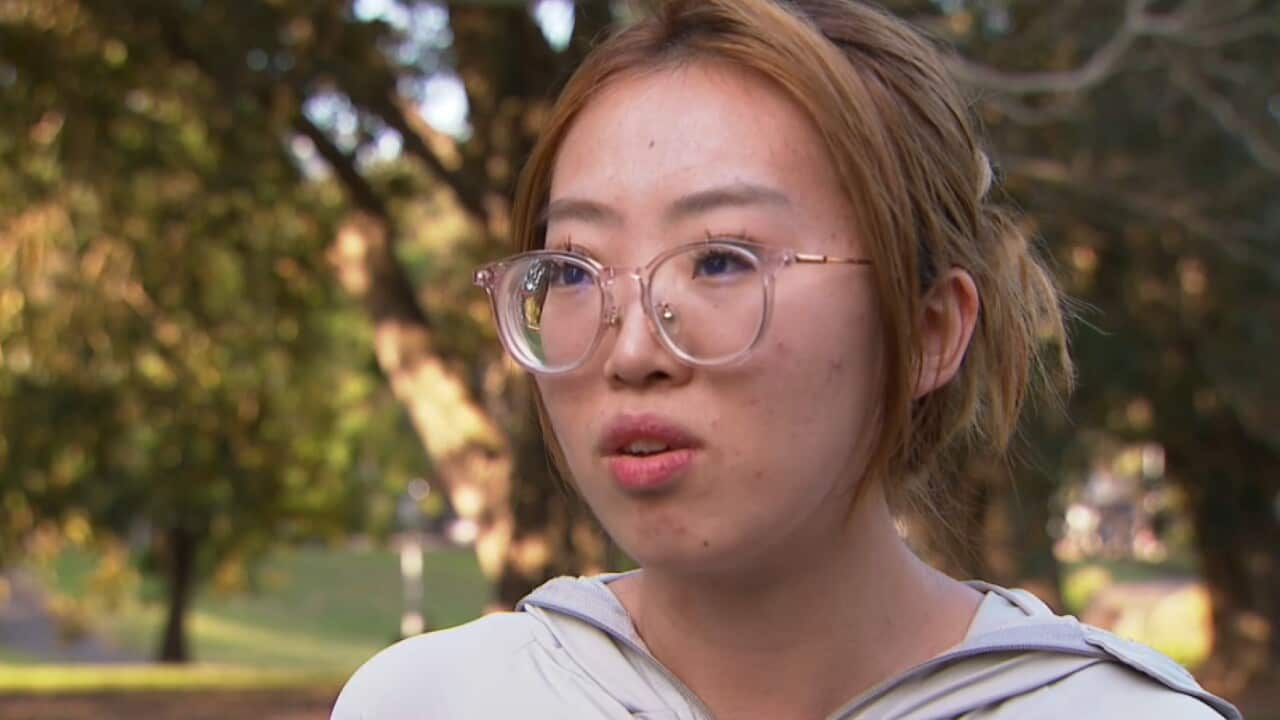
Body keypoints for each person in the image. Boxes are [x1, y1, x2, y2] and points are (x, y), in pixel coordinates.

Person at [332, 1, 1242, 718]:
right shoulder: (430, 704)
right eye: (573, 269)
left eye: (721, 259)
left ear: (928, 330)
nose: (633, 350)